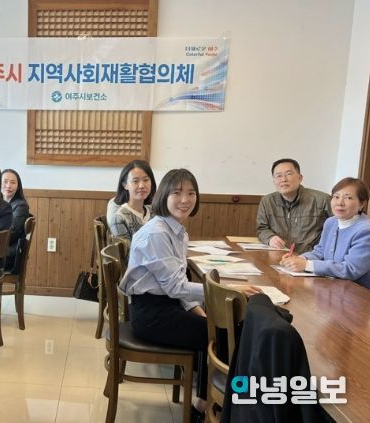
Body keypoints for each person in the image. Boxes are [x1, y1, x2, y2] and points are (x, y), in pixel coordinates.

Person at [119, 168, 261, 421]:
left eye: (191, 193)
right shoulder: (157, 233)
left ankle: (208, 400)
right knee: (226, 333)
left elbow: (178, 285)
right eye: (177, 193)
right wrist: (230, 291)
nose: (185, 199)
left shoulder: (176, 230)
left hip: (167, 305)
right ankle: (211, 405)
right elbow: (176, 287)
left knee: (219, 325)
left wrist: (198, 309)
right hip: (151, 315)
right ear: (164, 195)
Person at [280, 177, 370, 288]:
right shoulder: (331, 222)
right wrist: (300, 259)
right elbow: (320, 252)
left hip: (358, 292)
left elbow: (351, 269)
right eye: (336, 197)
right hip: (331, 286)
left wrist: (307, 265)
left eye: (348, 198)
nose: (340, 203)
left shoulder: (365, 230)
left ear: (362, 204)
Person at [256, 158, 331, 254]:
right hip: (279, 254)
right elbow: (262, 228)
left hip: (311, 258)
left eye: (288, 174)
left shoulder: (322, 200)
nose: (283, 179)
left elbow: (337, 228)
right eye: (278, 176)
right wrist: (270, 238)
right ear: (274, 181)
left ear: (300, 178)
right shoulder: (267, 201)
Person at [109, 160, 156, 242]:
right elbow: (125, 250)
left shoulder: (154, 212)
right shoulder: (119, 218)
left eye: (146, 180)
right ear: (125, 185)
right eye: (135, 181)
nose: (141, 186)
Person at [1, 168, 30, 271]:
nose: (8, 185)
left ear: (18, 187)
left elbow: (12, 233)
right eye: (5, 181)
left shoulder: (21, 206)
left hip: (9, 256)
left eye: (13, 182)